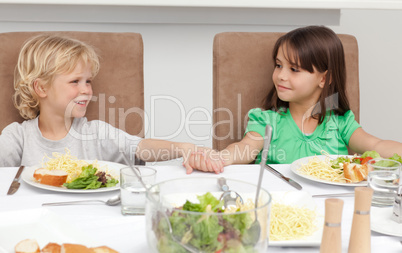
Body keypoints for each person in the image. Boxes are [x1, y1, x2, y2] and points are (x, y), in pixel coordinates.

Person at [187, 25, 402, 173]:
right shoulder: (267, 121)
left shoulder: (341, 122)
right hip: (283, 209)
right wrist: (219, 158)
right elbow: (244, 149)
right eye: (279, 65)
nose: (281, 75)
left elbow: (376, 144)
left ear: (324, 79)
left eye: (294, 69)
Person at [0, 34, 202, 174]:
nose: (86, 90)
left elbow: (139, 147)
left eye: (88, 81)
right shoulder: (17, 137)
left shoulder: (95, 133)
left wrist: (182, 147)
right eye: (75, 81)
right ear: (41, 88)